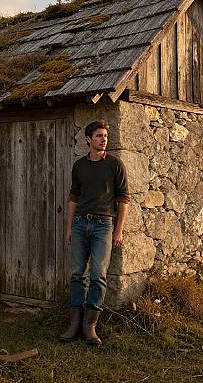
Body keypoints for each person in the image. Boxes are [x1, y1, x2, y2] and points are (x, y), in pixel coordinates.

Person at [59, 119, 130, 345]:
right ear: (89, 140)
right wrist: (69, 227)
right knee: (77, 274)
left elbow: (123, 200)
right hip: (80, 223)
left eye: (105, 136)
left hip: (104, 225)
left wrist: (118, 231)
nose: (103, 139)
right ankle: (74, 324)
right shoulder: (79, 166)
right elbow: (73, 197)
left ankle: (90, 325)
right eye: (98, 136)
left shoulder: (115, 165)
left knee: (98, 274)